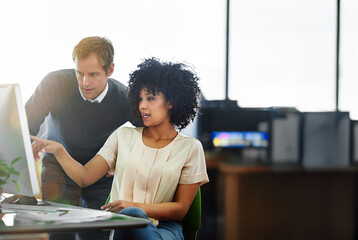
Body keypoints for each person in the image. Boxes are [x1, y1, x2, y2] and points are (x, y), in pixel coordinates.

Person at [31, 57, 209, 240]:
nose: (142, 105)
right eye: (140, 99)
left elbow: (181, 211)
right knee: (131, 220)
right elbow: (84, 177)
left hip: (164, 230)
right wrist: (59, 150)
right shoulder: (123, 136)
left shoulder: (190, 148)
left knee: (135, 217)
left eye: (150, 98)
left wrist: (133, 208)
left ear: (171, 101)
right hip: (122, 227)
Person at [26, 36, 139, 240]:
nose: (85, 82)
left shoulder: (124, 97)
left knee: (97, 233)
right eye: (80, 73)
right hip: (58, 167)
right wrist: (27, 145)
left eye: (94, 74)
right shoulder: (54, 84)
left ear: (110, 70)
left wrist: (124, 159)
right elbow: (25, 124)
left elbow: (152, 133)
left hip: (99, 173)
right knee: (60, 233)